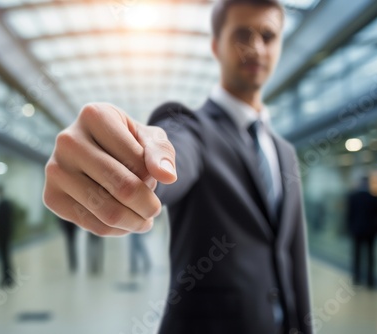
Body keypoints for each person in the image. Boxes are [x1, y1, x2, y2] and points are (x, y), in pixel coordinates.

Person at [43, 0, 312, 333]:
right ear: (216, 46)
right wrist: (133, 165)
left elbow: (293, 260)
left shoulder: (285, 152)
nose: (256, 47)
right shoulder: (190, 128)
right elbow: (173, 157)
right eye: (242, 34)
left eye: (268, 36)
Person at [346, 176, 377, 288]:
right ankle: (370, 280)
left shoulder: (353, 197)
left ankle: (357, 277)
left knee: (357, 255)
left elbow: (349, 215)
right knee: (370, 256)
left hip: (357, 230)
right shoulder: (373, 198)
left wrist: (350, 228)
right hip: (370, 231)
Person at [0, 185, 14, 287]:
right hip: (2, 235)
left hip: (3, 235)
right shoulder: (1, 203)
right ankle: (6, 277)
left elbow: (4, 222)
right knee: (4, 257)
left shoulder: (4, 204)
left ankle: (8, 278)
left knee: (5, 257)